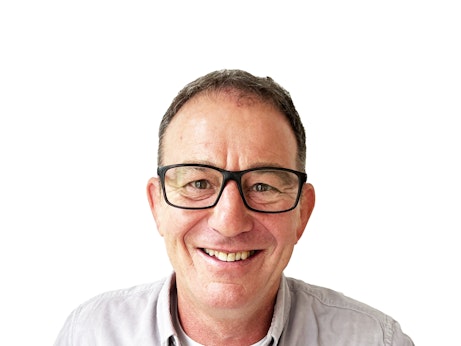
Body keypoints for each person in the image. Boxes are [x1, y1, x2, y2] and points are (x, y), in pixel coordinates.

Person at [54, 69, 414, 345]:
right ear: (156, 204)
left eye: (262, 186)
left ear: (302, 213)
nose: (229, 221)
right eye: (198, 183)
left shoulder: (375, 340)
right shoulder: (89, 334)